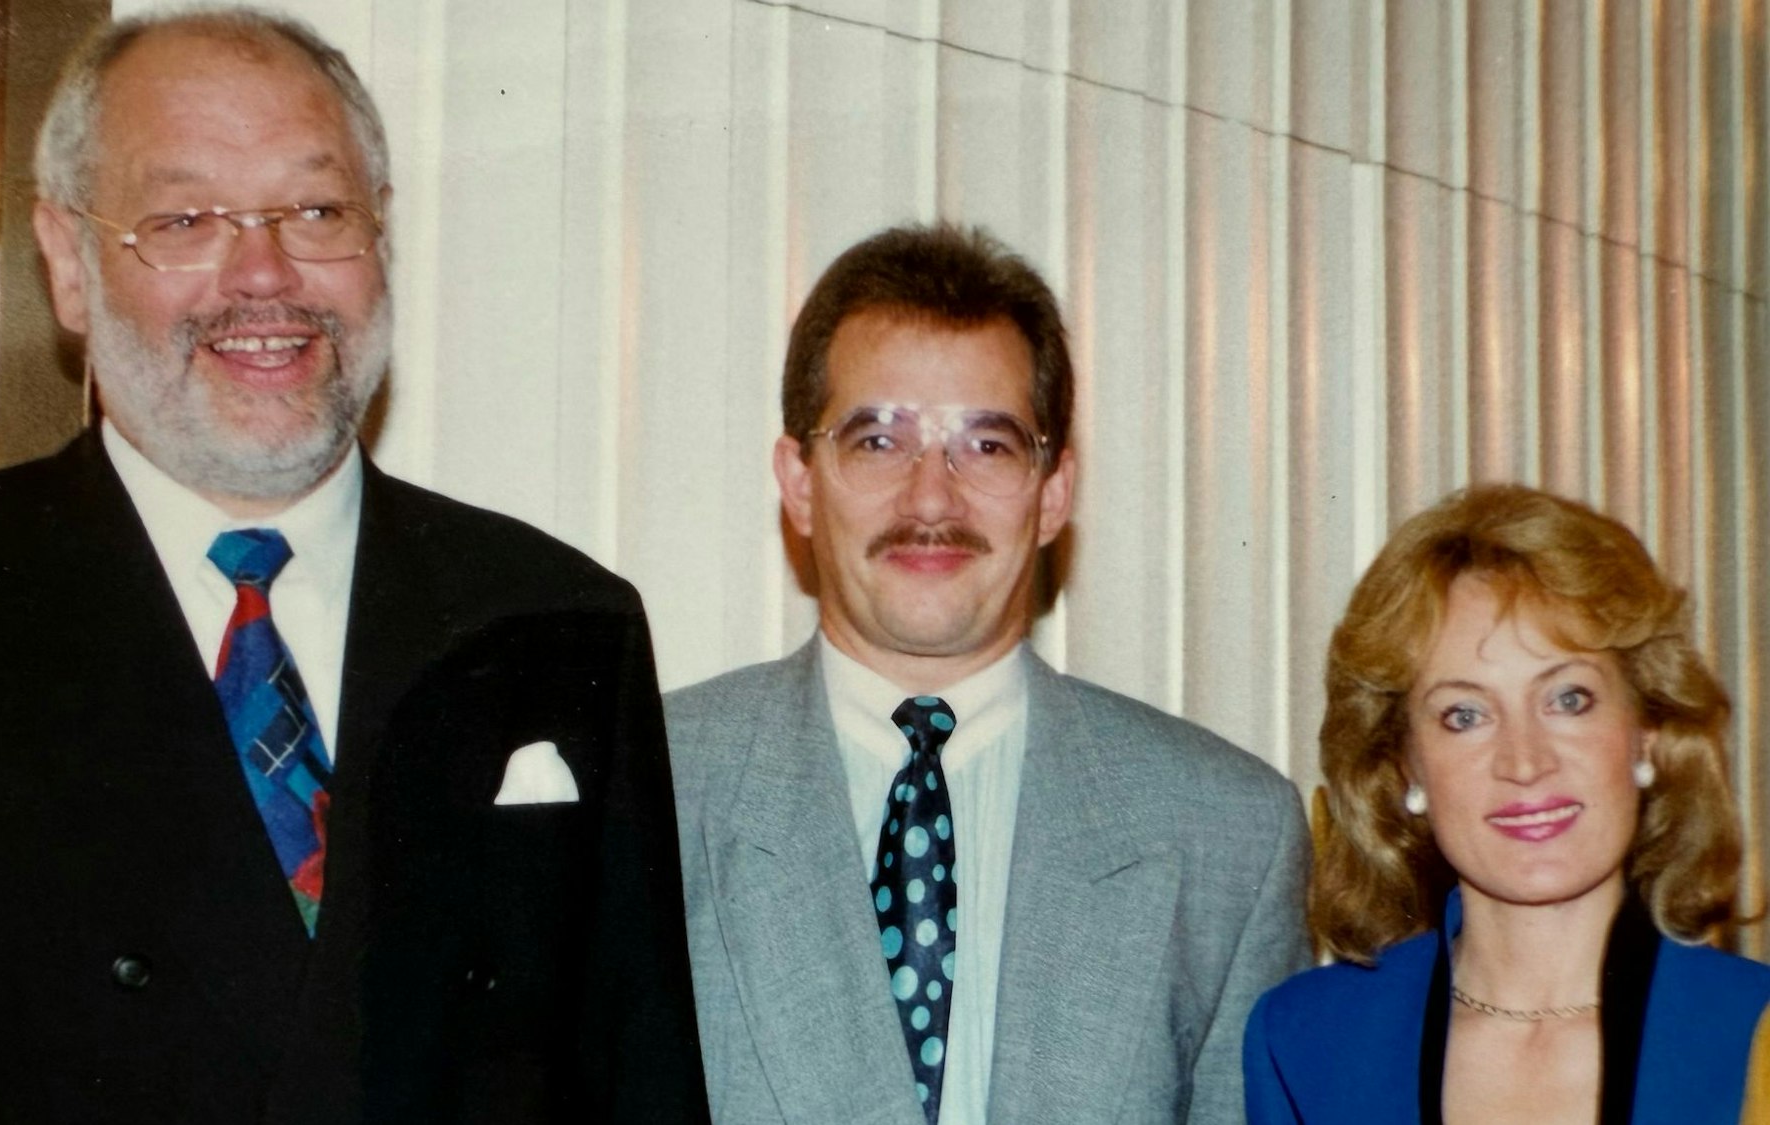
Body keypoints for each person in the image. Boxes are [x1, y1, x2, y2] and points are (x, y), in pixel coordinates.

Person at [0, 10, 706, 1124]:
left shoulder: (558, 621)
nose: (264, 275)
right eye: (183, 219)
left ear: (378, 239)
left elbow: (636, 1089)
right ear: (68, 264)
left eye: (316, 210)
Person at [666, 223, 1311, 1125]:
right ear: (800, 481)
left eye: (989, 445)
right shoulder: (654, 791)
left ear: (1054, 493)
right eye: (878, 441)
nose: (932, 499)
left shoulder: (1228, 836)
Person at [1244, 483, 1770, 1123]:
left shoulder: (1752, 1031)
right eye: (1465, 715)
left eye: (1568, 700)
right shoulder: (1306, 1042)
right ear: (1406, 764)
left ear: (1646, 732)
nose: (1525, 762)